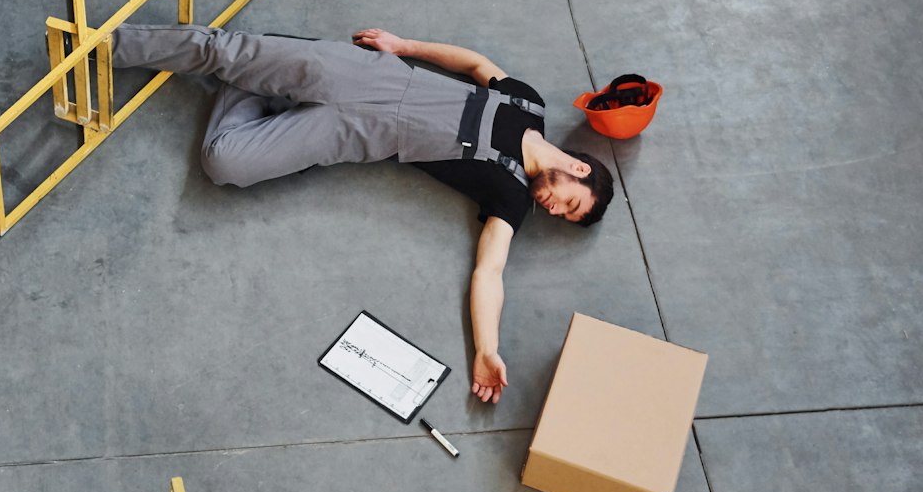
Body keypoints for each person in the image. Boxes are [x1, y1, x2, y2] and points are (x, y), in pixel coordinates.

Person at [111, 24, 616, 405]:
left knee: (224, 162)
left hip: (359, 136)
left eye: (562, 218)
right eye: (569, 203)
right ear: (575, 167)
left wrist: (487, 349)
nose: (553, 209)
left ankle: (252, 83)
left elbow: (490, 272)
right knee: (222, 51)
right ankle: (110, 44)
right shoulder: (527, 106)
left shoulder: (511, 197)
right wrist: (405, 47)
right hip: (369, 74)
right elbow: (476, 64)